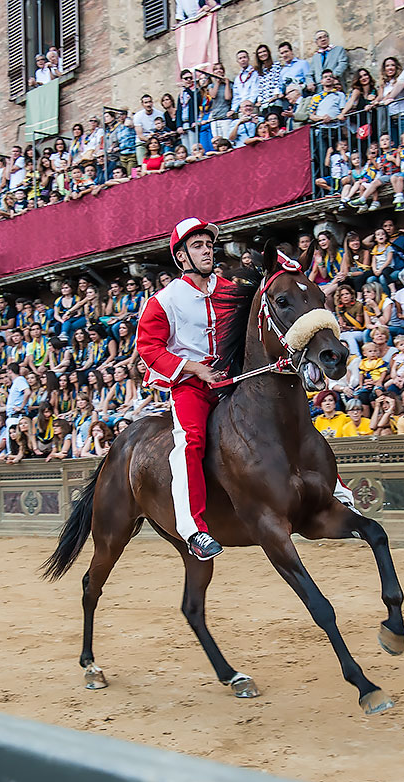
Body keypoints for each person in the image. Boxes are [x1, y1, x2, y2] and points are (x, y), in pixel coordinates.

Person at [133, 219, 234, 559]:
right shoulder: (163, 300)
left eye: (209, 245)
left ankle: (334, 490)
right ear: (181, 256)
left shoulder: (231, 290)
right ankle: (193, 530)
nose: (207, 251)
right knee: (190, 441)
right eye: (197, 246)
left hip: (233, 379)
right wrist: (195, 368)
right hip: (191, 386)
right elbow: (149, 348)